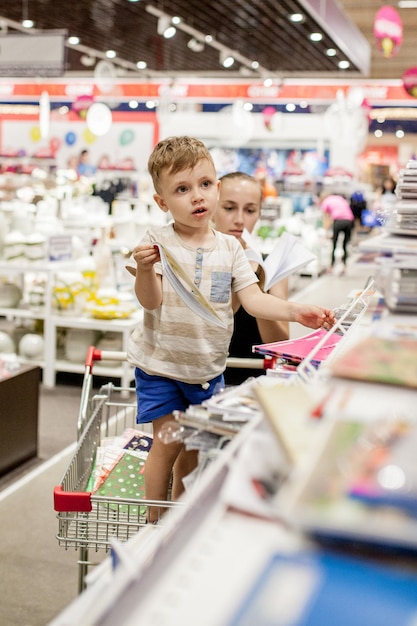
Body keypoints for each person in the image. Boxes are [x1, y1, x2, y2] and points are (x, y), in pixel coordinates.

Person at [127, 136, 335, 521]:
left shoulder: (231, 249)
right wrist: (143, 270)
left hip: (207, 369)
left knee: (193, 444)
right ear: (161, 202)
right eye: (182, 189)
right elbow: (151, 301)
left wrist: (296, 311)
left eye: (205, 185)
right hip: (161, 366)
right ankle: (153, 523)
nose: (197, 196)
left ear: (216, 187)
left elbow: (254, 300)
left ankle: (182, 513)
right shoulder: (158, 242)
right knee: (167, 441)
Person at [212, 171, 289, 385]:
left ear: (259, 213)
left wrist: (257, 284)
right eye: (229, 208)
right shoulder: (195, 261)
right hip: (201, 383)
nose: (239, 220)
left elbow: (280, 343)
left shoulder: (270, 265)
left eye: (250, 210)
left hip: (254, 386)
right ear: (211, 209)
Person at [320, 193, 355, 273]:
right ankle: (344, 266)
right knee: (345, 245)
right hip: (349, 220)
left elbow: (326, 218)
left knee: (334, 244)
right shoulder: (340, 198)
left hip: (338, 221)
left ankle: (331, 266)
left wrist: (325, 231)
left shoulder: (326, 202)